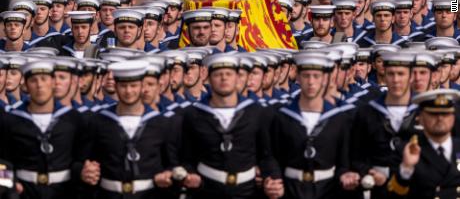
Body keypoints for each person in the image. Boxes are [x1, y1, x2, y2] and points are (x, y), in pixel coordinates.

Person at [180, 53, 284, 199]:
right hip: (207, 190)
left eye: (229, 74)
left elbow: (266, 155)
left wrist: (272, 179)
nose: (224, 78)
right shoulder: (193, 114)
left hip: (248, 191)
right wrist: (189, 174)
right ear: (208, 78)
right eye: (218, 74)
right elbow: (186, 157)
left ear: (237, 78)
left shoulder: (256, 112)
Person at [78, 60, 174, 198]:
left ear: (142, 87)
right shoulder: (98, 122)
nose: (128, 91)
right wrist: (84, 171)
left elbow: (172, 163)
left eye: (133, 85)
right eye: (123, 86)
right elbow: (82, 160)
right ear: (115, 86)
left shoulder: (161, 123)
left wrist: (168, 174)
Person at [271, 53, 358, 198]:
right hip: (290, 189)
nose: (311, 82)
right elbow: (273, 156)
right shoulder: (283, 116)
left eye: (316, 76)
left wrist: (345, 175)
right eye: (306, 76)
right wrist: (274, 179)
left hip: (327, 190)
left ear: (325, 79)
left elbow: (343, 161)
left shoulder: (338, 118)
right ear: (297, 77)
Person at [0, 60, 84, 199]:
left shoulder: (72, 119)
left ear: (53, 83)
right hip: (23, 192)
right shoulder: (10, 120)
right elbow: (3, 160)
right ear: (26, 85)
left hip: (63, 192)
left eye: (44, 79)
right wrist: (10, 187)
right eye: (33, 80)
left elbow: (80, 159)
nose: (39, 85)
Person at [351, 51, 419, 199]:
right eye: (391, 74)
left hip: (415, 185)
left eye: (401, 74)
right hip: (377, 186)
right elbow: (356, 154)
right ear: (384, 75)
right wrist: (369, 171)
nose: (395, 80)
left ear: (411, 76)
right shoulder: (367, 112)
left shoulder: (423, 112)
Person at [387, 89, 460, 199]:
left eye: (445, 113)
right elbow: (391, 195)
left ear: (453, 117)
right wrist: (406, 169)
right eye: (433, 114)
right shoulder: (406, 150)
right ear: (420, 118)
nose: (440, 118)